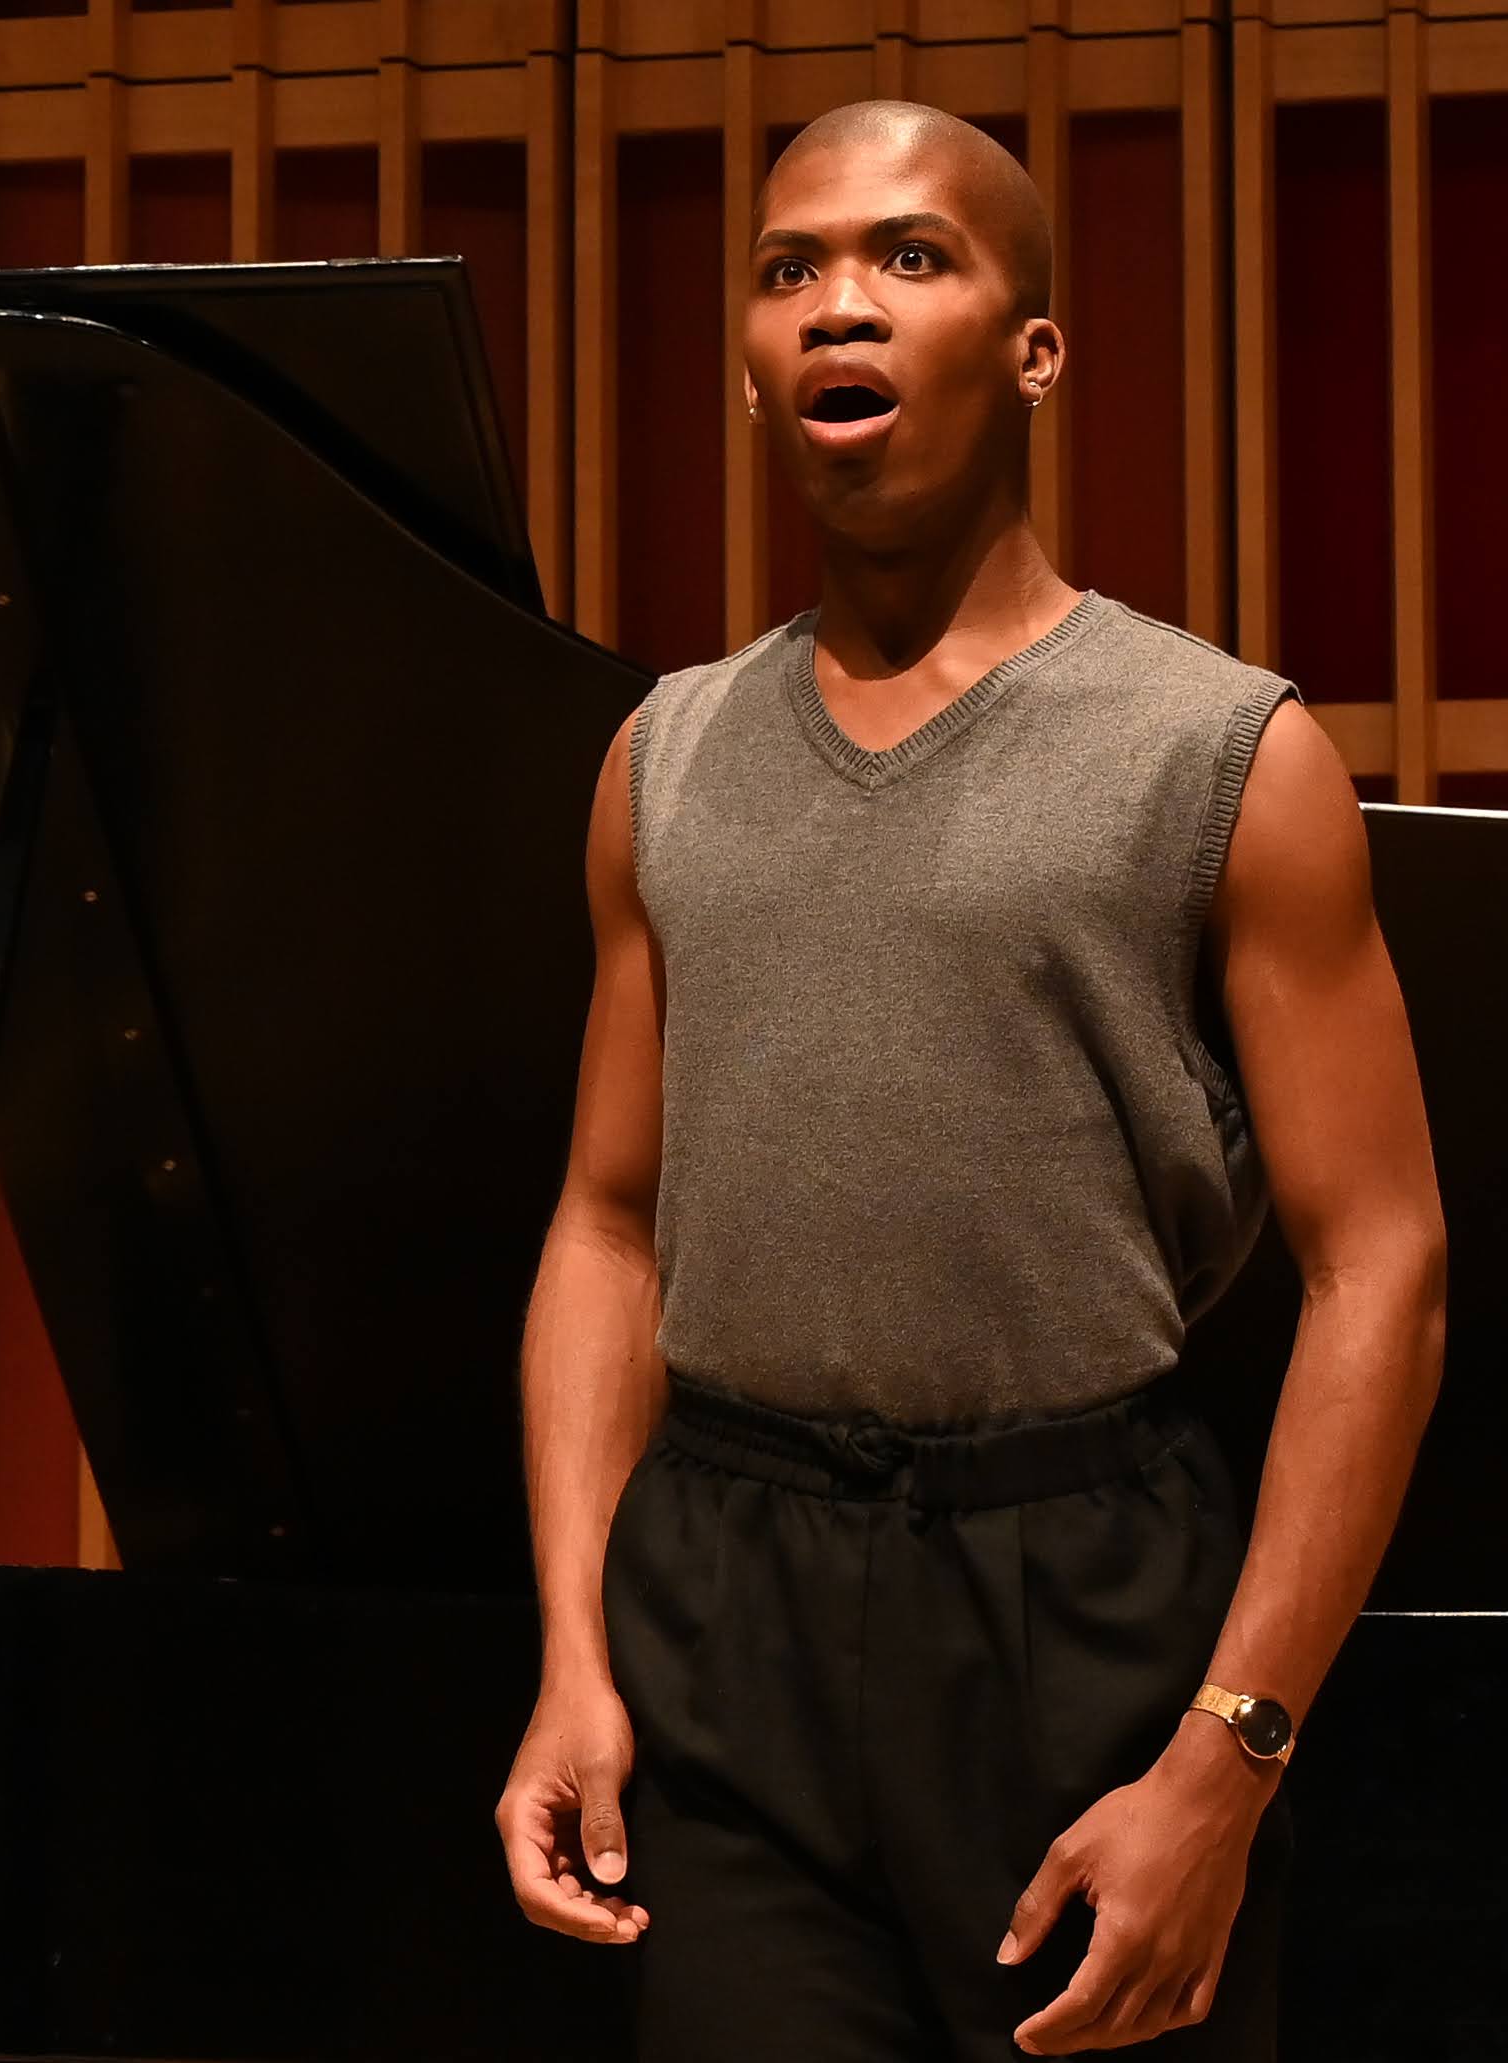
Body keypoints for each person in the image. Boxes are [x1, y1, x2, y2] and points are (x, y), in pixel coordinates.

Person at [493, 100, 1446, 2058]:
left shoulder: (1214, 752)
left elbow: (1382, 1266)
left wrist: (1224, 1759)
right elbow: (602, 1224)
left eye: (906, 258)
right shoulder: (656, 760)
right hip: (726, 1614)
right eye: (787, 270)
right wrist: (575, 1659)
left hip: (1079, 1601)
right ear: (751, 360)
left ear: (1028, 349)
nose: (837, 304)